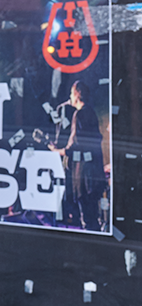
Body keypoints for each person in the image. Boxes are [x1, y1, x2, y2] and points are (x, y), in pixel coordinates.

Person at [51, 79, 105, 231]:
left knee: (87, 216)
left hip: (84, 175)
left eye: (71, 94)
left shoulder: (79, 114)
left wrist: (57, 151)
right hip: (93, 172)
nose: (69, 97)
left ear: (76, 95)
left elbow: (74, 145)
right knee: (92, 214)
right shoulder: (91, 113)